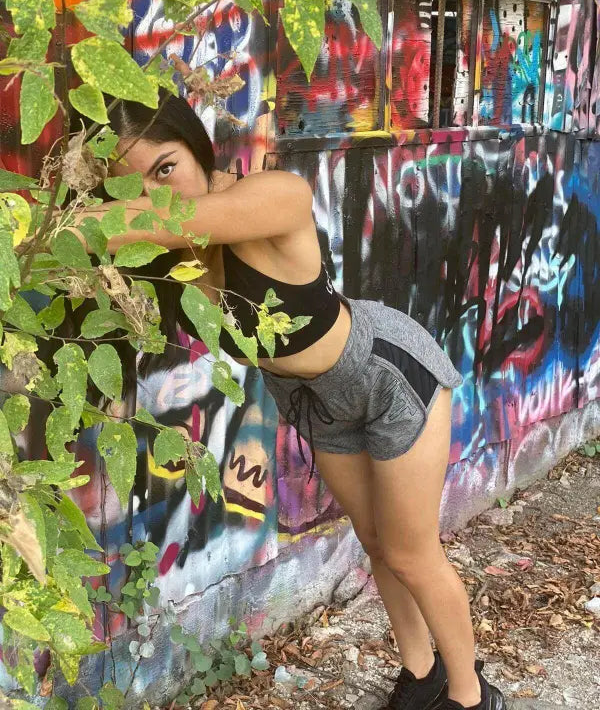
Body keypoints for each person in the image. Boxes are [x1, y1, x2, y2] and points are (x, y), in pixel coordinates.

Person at [77, 90, 506, 710]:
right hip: (315, 402)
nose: (152, 194)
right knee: (377, 543)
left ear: (196, 147)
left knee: (412, 554)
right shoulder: (166, 258)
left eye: (164, 168)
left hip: (387, 375)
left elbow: (167, 219)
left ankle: (471, 696)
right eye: (130, 184)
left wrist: (42, 227)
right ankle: (421, 677)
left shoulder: (273, 196)